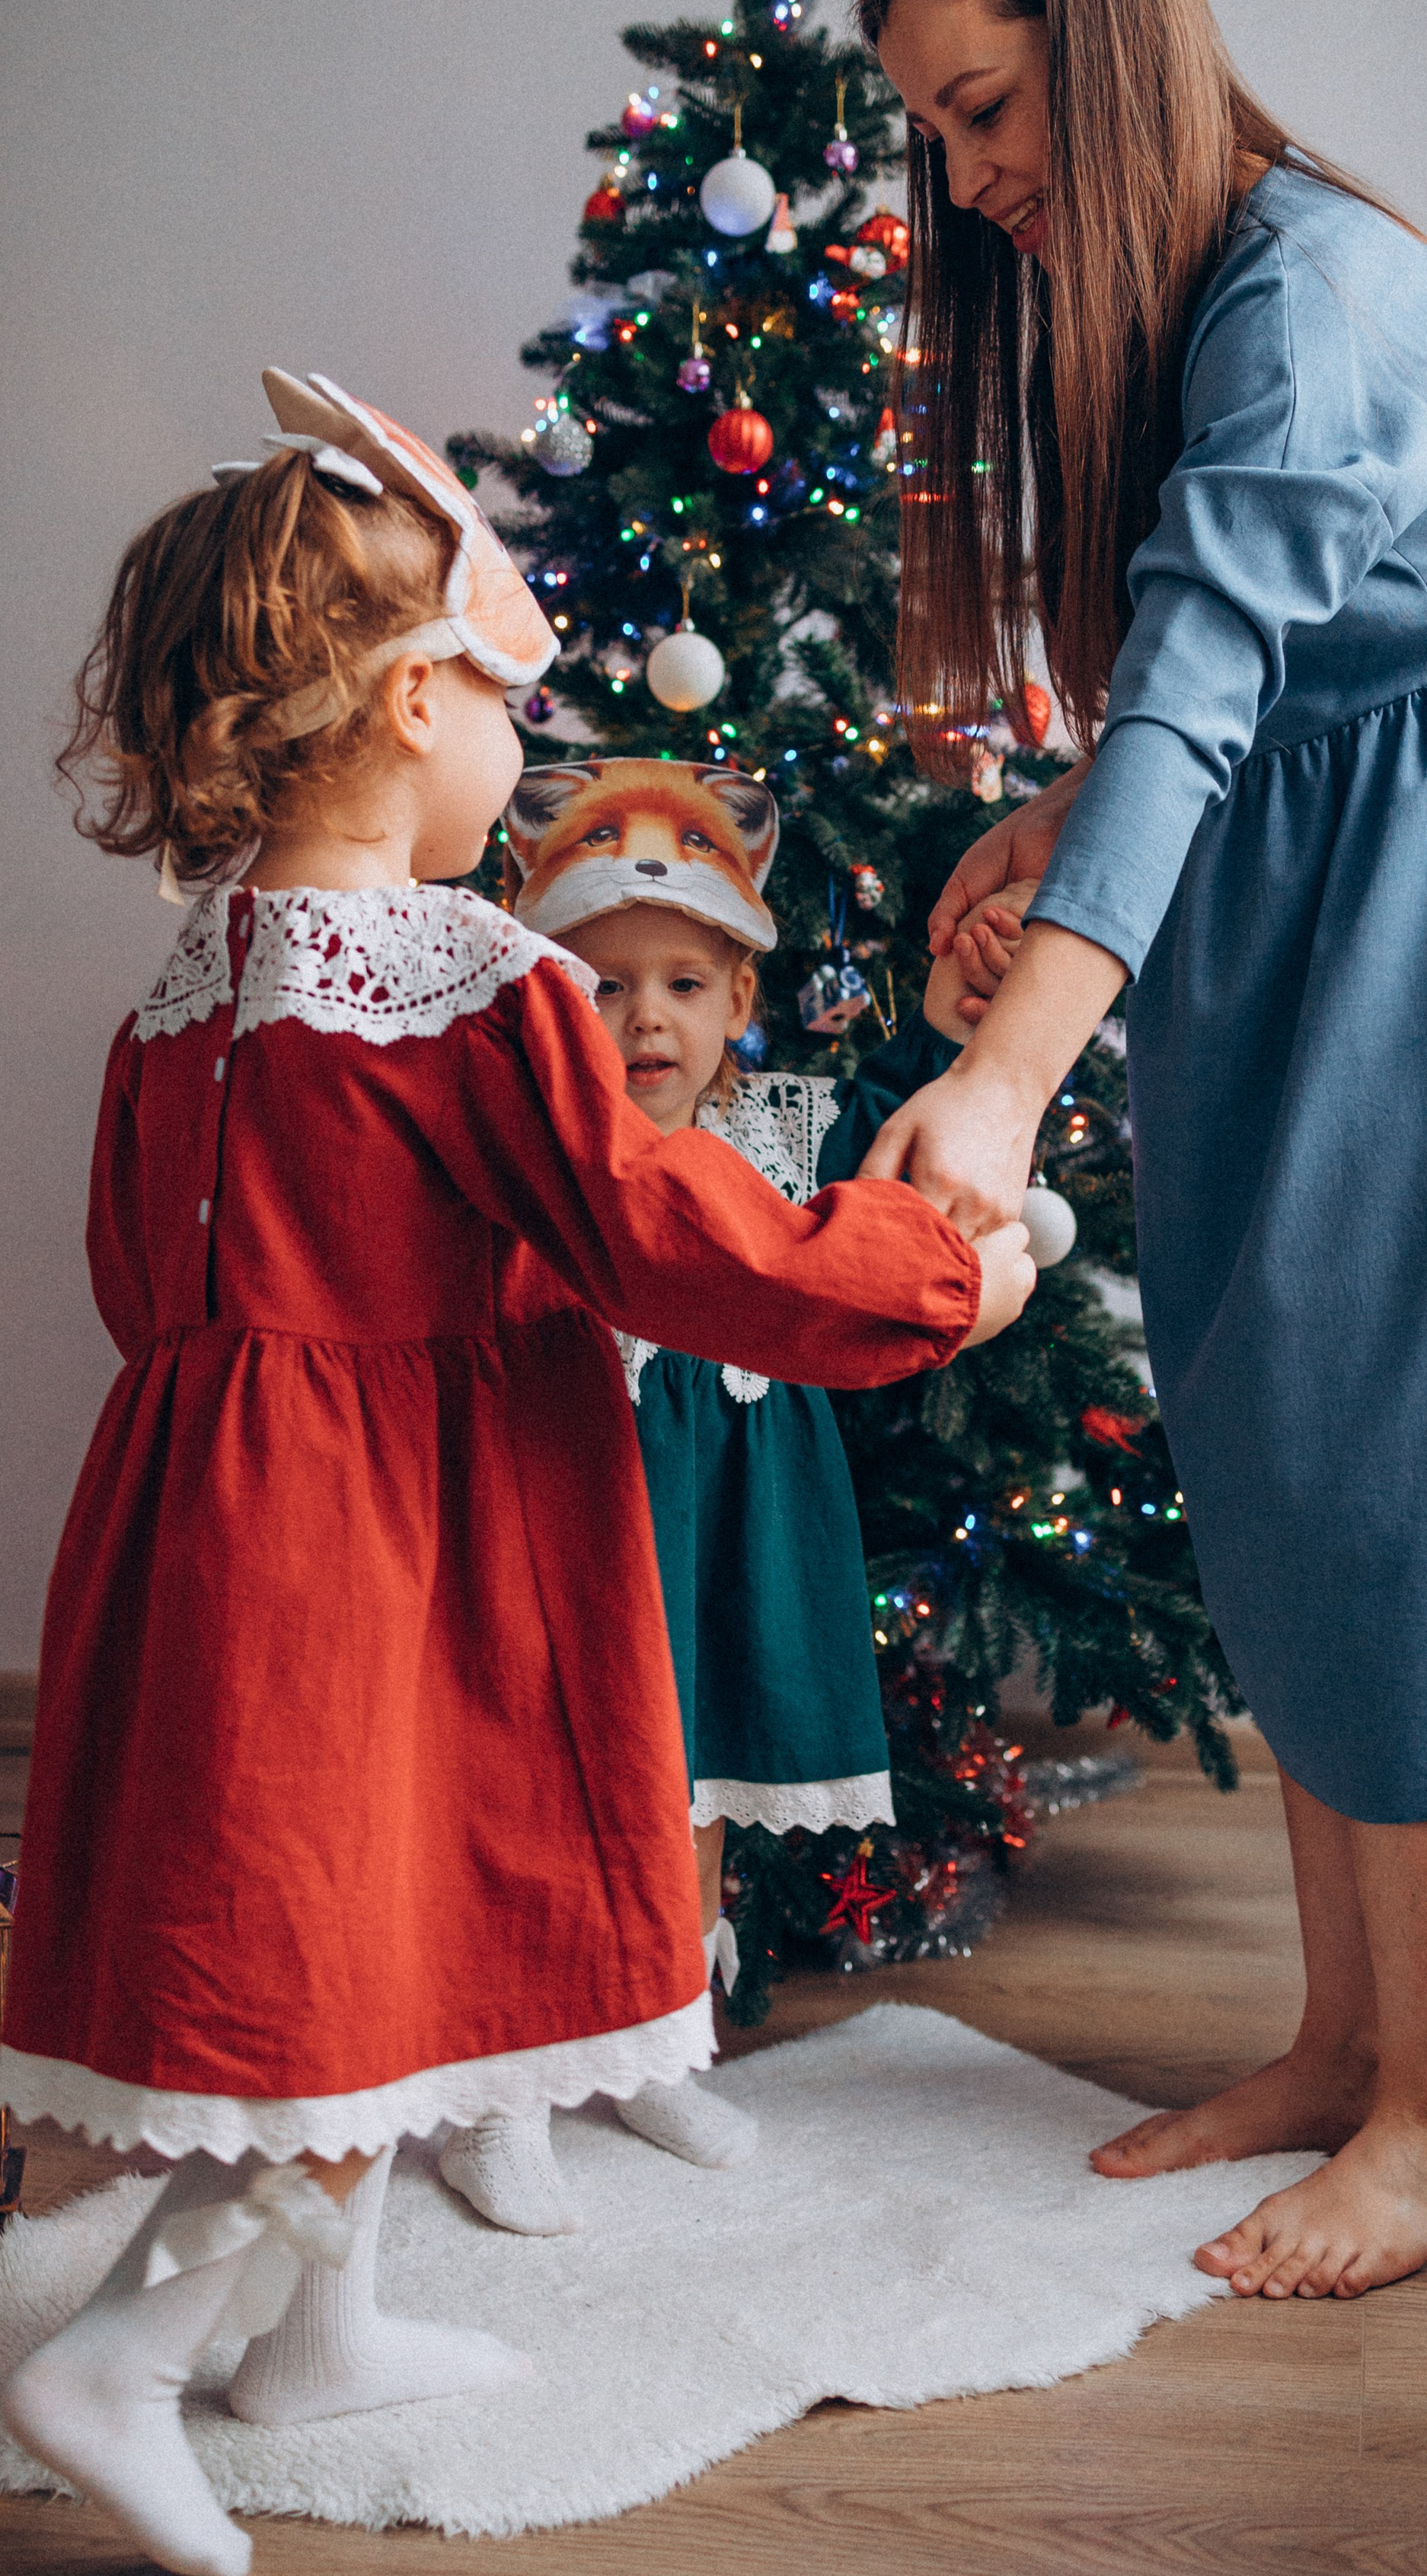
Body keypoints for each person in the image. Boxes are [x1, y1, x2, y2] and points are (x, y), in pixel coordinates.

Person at [0, 371, 1030, 2576]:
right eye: (501, 706)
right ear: (406, 706)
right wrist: (936, 1272)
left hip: (206, 1527)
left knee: (339, 1939)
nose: (516, 754)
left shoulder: (190, 986)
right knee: (336, 1974)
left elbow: (133, 1277)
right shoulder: (466, 979)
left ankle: (315, 2345)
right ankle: (129, 2349)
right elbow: (666, 1230)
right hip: (389, 1550)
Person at [854, 0, 1427, 2302]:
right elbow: (1219, 692)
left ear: (1105, 42)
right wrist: (1053, 818)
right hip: (1315, 895)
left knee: (1414, 1475)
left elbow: (1216, 690)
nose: (969, 181)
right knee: (1303, 1451)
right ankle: (1348, 2046)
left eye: (987, 111)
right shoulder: (1212, 298)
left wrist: (1003, 1083)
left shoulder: (1320, 300)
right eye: (936, 132)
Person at [438, 758, 979, 2222]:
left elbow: (907, 1134)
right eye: (605, 987)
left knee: (695, 1795)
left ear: (742, 999)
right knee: (542, 1794)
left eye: (684, 986)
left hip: (729, 1533)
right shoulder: (531, 1155)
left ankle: (660, 2041)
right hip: (573, 1524)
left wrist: (952, 1024)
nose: (646, 1020)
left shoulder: (786, 1131)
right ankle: (504, 2089)